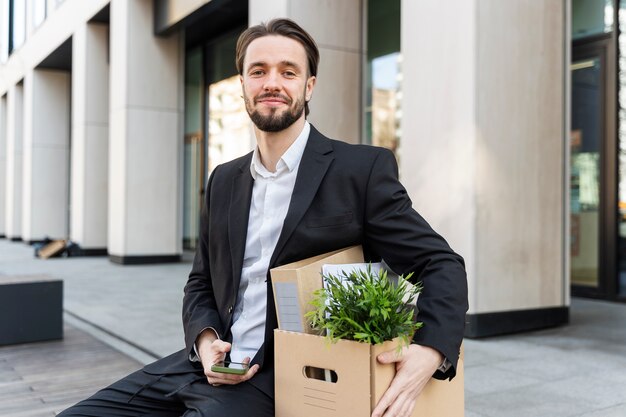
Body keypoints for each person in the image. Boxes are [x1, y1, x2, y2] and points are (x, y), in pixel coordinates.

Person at [59, 18, 468, 417]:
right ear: (242, 85)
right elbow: (200, 281)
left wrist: (429, 350)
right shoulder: (223, 179)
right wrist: (205, 340)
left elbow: (441, 264)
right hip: (210, 365)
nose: (272, 82)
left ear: (309, 87)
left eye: (288, 72)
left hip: (286, 374)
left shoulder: (359, 171)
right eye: (258, 71)